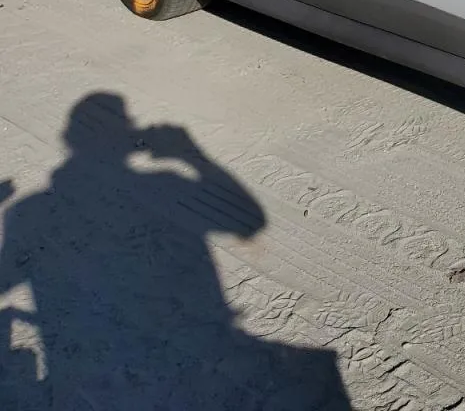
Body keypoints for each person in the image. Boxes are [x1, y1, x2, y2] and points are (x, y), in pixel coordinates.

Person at [0, 92, 352, 410]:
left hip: (105, 367)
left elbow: (8, 275)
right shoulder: (165, 184)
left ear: (69, 140)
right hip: (196, 352)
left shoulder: (27, 210)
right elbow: (249, 220)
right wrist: (192, 154)